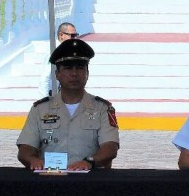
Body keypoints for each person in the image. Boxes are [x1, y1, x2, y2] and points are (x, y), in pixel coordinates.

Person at [17, 38, 119, 170]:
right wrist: (33, 160)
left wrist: (90, 161)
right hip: (51, 180)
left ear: (87, 74)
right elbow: (25, 148)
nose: (74, 74)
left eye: (80, 68)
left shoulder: (103, 108)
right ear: (57, 74)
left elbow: (110, 147)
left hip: (91, 180)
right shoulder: (40, 109)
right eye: (68, 68)